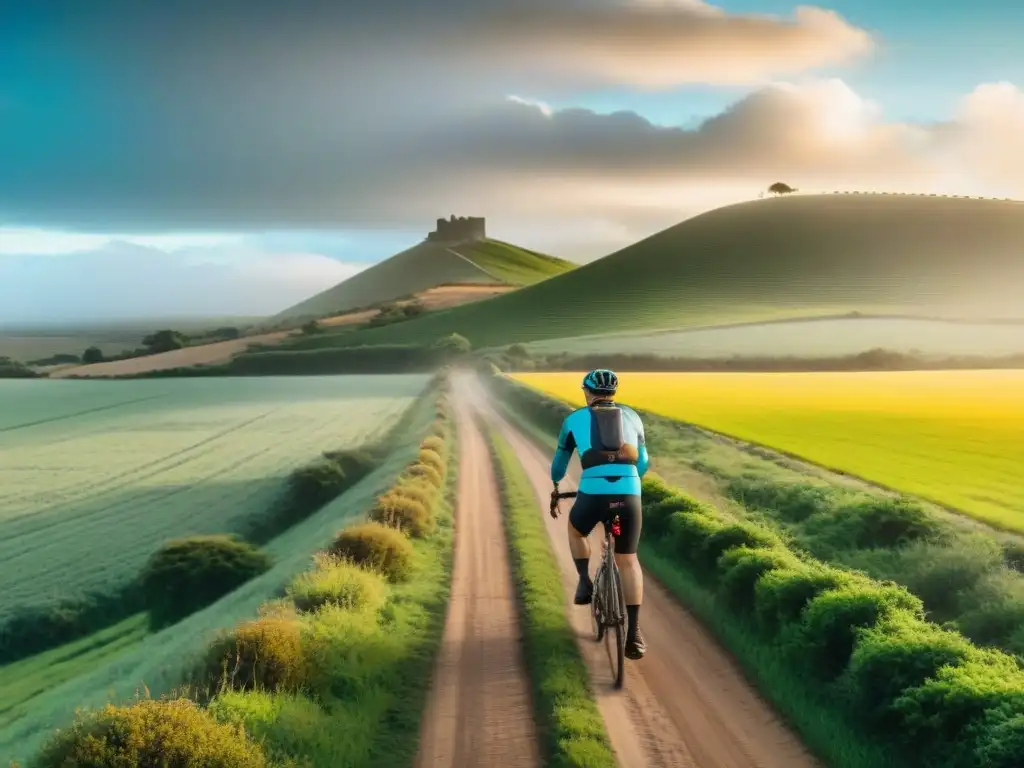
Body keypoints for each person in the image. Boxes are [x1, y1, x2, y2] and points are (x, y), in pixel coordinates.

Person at [549, 369, 648, 660]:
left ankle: (584, 581)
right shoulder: (633, 417)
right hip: (629, 494)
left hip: (593, 495)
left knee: (577, 530)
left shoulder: (573, 419)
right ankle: (634, 635)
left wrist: (556, 487)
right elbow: (643, 461)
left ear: (586, 391)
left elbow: (559, 464)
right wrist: (632, 481)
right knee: (628, 560)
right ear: (614, 393)